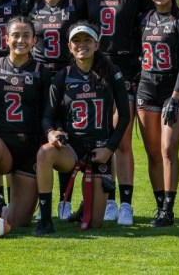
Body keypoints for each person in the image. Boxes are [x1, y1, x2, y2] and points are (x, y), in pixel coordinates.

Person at [75, 0, 151, 225]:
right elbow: (78, 30)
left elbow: (150, 23)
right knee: (101, 135)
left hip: (128, 67)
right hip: (97, 69)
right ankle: (107, 199)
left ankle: (127, 203)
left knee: (123, 140)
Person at [32, 22, 130, 235]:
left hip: (100, 149)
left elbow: (124, 116)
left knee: (95, 224)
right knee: (44, 153)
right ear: (69, 46)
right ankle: (46, 219)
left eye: (87, 40)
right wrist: (52, 132)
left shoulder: (112, 73)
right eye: (77, 40)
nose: (81, 44)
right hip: (72, 147)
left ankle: (86, 206)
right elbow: (48, 116)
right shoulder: (63, 75)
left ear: (97, 44)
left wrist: (110, 149)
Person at [0, 17, 51, 227]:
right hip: (3, 148)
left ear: (34, 40)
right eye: (15, 35)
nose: (21, 40)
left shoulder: (41, 72)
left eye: (26, 35)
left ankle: (9, 209)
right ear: (6, 39)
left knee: (18, 223)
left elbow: (49, 111)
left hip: (30, 150)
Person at [135, 0, 179, 227]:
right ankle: (159, 207)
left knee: (168, 150)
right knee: (152, 154)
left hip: (171, 92)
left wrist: (176, 96)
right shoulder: (144, 19)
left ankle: (169, 208)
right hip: (147, 90)